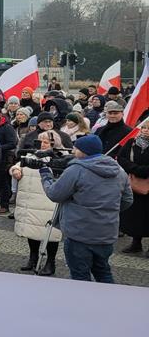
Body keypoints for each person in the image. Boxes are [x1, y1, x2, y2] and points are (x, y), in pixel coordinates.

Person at [40, 135, 133, 282]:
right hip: (106, 233)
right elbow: (128, 200)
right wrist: (107, 210)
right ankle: (110, 302)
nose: (74, 151)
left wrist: (45, 176)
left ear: (83, 151)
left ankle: (83, 304)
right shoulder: (119, 170)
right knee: (103, 271)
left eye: (76, 148)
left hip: (79, 233)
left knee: (80, 276)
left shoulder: (77, 170)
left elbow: (54, 194)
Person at [10, 131, 66, 276]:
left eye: (46, 142)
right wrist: (15, 170)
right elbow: (17, 165)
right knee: (32, 232)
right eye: (39, 141)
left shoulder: (60, 158)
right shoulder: (31, 156)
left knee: (51, 234)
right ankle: (33, 258)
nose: (42, 145)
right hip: (31, 202)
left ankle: (50, 262)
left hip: (48, 202)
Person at [119, 119, 149, 255]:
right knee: (135, 216)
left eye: (148, 129)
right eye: (144, 128)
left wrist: (143, 171)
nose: (145, 131)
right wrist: (135, 169)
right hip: (133, 185)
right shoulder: (131, 143)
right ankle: (136, 243)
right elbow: (121, 158)